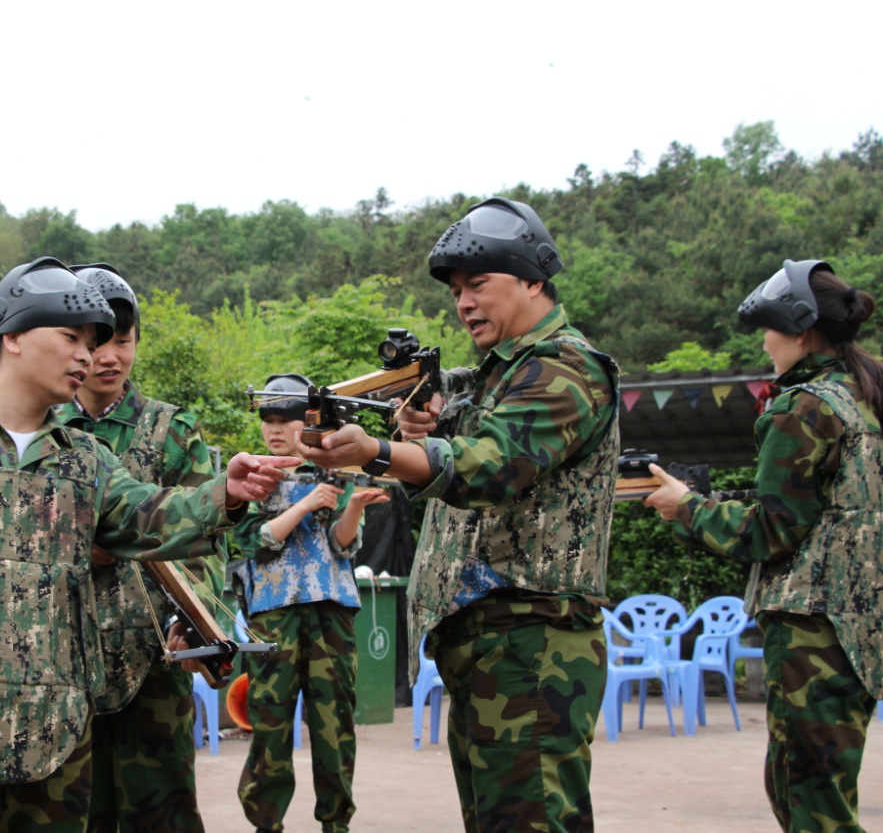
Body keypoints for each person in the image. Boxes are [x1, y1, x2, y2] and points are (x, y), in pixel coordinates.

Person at [0, 257, 296, 833]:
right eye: (71, 337)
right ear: (12, 335)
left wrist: (225, 493)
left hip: (61, 732)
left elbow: (146, 515)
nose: (89, 356)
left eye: (96, 342)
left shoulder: (84, 458)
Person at [295, 197, 620, 832]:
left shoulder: (565, 367)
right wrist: (425, 425)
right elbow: (463, 442)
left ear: (533, 279)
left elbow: (495, 464)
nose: (464, 303)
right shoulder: (499, 376)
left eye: (478, 284)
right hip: (490, 643)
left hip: (533, 643)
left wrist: (384, 451)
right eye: (455, 291)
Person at [644, 259, 881, 833]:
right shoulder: (864, 398)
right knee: (819, 783)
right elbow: (824, 513)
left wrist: (687, 507)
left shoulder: (805, 406)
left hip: (811, 628)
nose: (767, 343)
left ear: (801, 333)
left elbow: (771, 530)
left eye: (771, 331)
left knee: (809, 798)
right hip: (857, 625)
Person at [55, 262, 222, 833]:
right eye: (95, 342)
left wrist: (194, 623)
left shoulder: (171, 430)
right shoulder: (41, 431)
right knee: (74, 810)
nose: (108, 358)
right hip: (58, 661)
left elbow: (202, 542)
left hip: (154, 656)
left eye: (122, 342)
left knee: (164, 810)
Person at [233, 373, 388, 833]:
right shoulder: (252, 474)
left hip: (331, 611)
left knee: (334, 726)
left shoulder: (334, 469)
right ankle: (267, 824)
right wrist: (303, 506)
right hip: (274, 613)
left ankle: (335, 824)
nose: (276, 430)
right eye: (269, 420)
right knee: (270, 724)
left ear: (310, 421)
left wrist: (354, 505)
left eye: (287, 420)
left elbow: (342, 546)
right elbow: (255, 543)